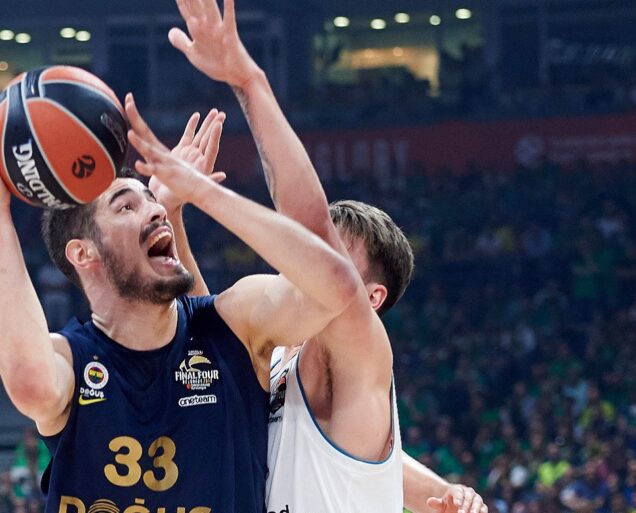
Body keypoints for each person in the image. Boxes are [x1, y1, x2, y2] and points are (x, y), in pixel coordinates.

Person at [166, 0, 487, 511]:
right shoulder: (283, 356)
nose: (311, 256)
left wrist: (249, 81)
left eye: (336, 252)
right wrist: (173, 215)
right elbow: (204, 323)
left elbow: (307, 226)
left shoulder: (362, 349)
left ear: (372, 297)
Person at [0, 93, 365, 512]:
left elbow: (333, 287)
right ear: (84, 254)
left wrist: (203, 193)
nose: (154, 211)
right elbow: (31, 384)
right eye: (126, 207)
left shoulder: (233, 325)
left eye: (152, 200)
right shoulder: (72, 359)